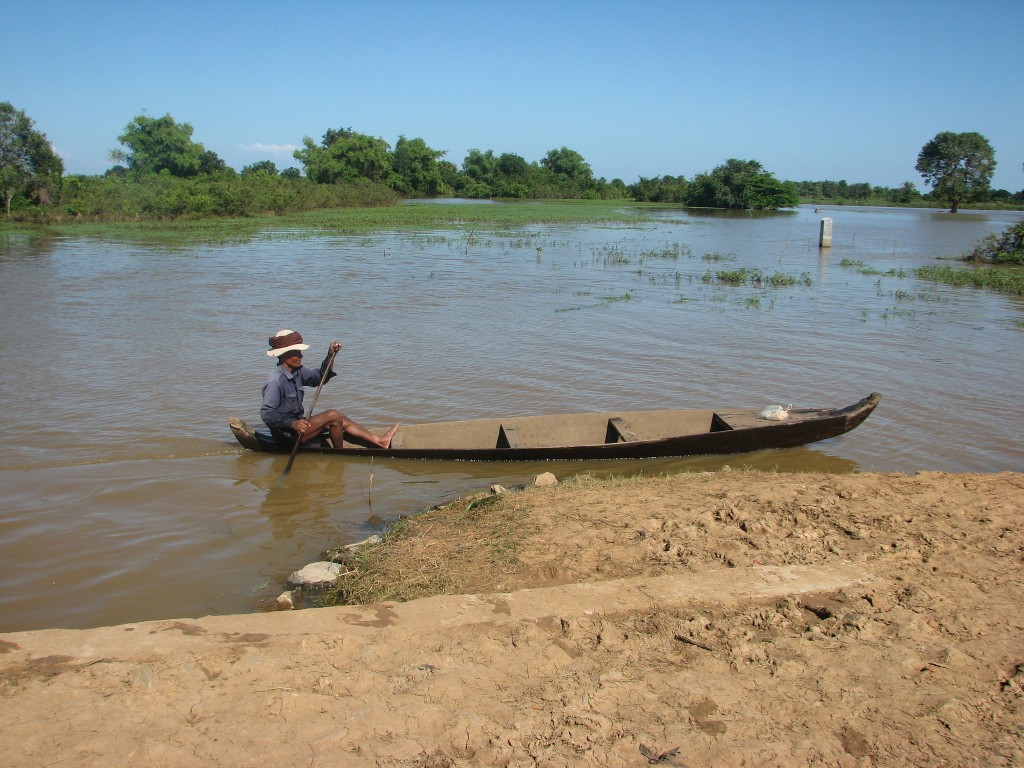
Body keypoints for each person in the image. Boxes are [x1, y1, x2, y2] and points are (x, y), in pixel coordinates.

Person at [261, 329, 398, 449]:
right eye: (297, 353)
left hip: (299, 427)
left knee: (340, 418)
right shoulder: (275, 381)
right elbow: (267, 414)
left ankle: (380, 441)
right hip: (287, 435)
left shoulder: (298, 372)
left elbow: (320, 377)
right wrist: (293, 423)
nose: (301, 356)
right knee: (333, 415)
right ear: (284, 355)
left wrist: (330, 356)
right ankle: (339, 454)